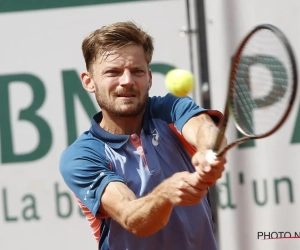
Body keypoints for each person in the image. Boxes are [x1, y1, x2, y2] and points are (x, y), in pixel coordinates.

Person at [59, 21, 226, 250]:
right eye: (113, 72)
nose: (127, 81)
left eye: (136, 71)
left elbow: (204, 129)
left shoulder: (170, 109)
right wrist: (166, 193)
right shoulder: (81, 156)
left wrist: (207, 151)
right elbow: (132, 218)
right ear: (89, 82)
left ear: (149, 77)